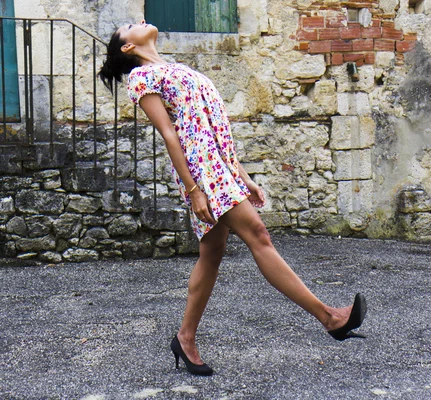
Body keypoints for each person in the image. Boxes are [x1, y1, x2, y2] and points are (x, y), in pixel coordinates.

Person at [98, 20, 367, 376]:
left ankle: (185, 337)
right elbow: (170, 134)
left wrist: (243, 178)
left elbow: (213, 128)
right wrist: (194, 190)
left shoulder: (175, 69)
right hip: (201, 171)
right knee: (258, 234)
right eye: (130, 26)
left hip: (218, 167)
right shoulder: (141, 79)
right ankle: (329, 317)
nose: (141, 21)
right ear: (127, 48)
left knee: (211, 255)